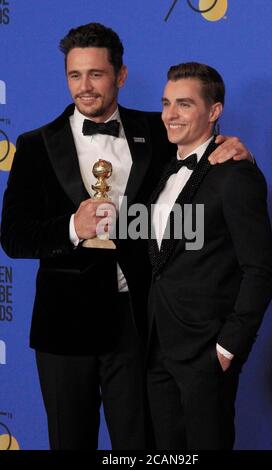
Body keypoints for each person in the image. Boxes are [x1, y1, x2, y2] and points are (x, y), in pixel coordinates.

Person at [0, 23, 251, 450]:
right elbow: (14, 237)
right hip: (64, 328)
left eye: (96, 74)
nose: (84, 87)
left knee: (141, 447)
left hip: (138, 324)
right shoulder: (36, 144)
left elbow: (202, 151)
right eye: (74, 75)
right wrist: (71, 229)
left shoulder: (157, 130)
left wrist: (235, 150)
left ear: (121, 75)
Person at [147, 62, 272, 450]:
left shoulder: (236, 173)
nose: (171, 114)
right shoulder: (162, 169)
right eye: (167, 103)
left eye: (184, 104)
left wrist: (227, 348)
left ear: (214, 111)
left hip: (205, 353)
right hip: (156, 349)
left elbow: (260, 271)